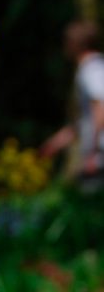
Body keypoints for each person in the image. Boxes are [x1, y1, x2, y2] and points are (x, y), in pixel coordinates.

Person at [41, 20, 104, 179]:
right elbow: (82, 122)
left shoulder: (92, 69)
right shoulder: (91, 68)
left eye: (67, 41)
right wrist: (55, 143)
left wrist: (92, 153)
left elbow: (101, 108)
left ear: (77, 43)